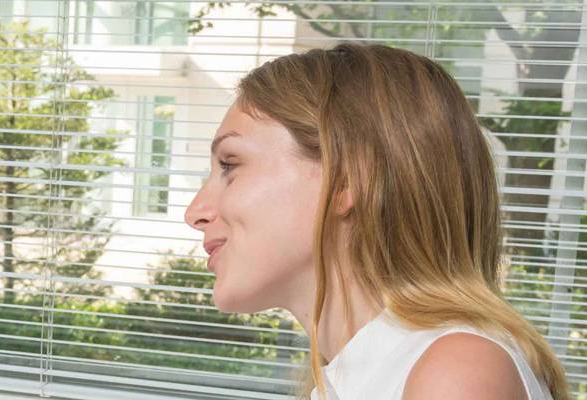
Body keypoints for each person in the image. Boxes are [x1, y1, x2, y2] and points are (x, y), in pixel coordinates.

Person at [184, 43, 567, 399]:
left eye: (230, 165)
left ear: (348, 179)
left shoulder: (454, 372)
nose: (195, 212)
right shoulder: (351, 378)